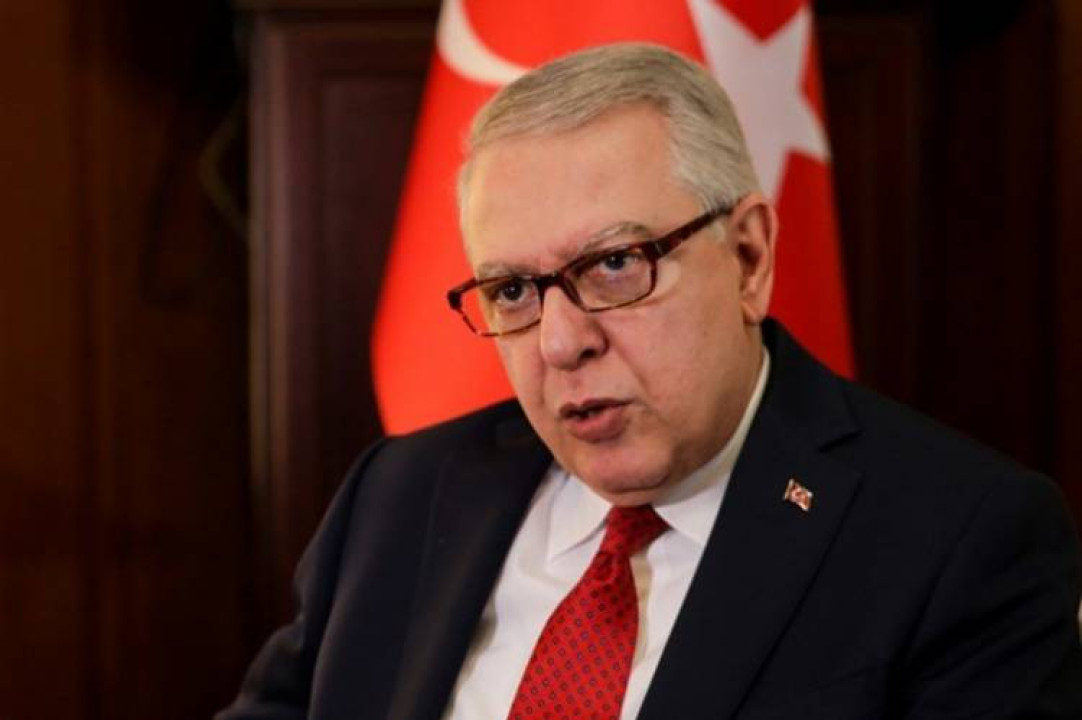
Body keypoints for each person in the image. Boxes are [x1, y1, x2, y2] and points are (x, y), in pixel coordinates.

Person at [218, 43, 1082, 720]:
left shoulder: (963, 538)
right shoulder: (397, 496)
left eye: (616, 264)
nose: (561, 343)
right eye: (512, 290)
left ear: (749, 258)